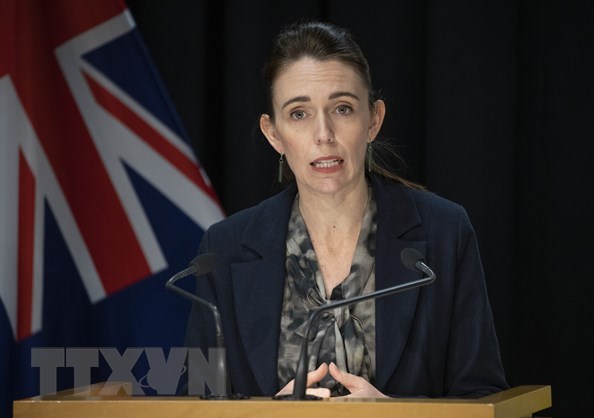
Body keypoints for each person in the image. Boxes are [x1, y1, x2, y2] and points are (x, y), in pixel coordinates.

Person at [185, 20, 508, 399]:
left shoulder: (444, 232)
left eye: (342, 109)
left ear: (373, 119)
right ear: (274, 134)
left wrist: (395, 415)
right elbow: (196, 399)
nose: (324, 134)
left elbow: (483, 396)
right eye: (299, 114)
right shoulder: (224, 249)